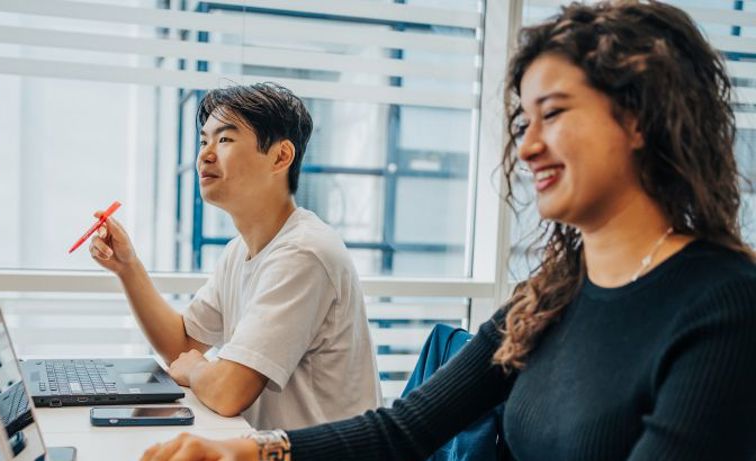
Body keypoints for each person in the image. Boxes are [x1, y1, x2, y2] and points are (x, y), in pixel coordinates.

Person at [138, 2, 756, 460]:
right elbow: (405, 429)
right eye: (523, 121)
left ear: (642, 119)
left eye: (555, 113)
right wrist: (243, 451)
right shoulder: (552, 295)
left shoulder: (722, 302)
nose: (530, 145)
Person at [89, 82, 381, 430]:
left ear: (280, 157)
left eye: (224, 140)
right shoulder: (240, 250)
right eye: (203, 141)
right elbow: (181, 343)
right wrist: (128, 267)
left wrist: (198, 368)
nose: (205, 155)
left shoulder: (304, 253)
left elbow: (229, 392)